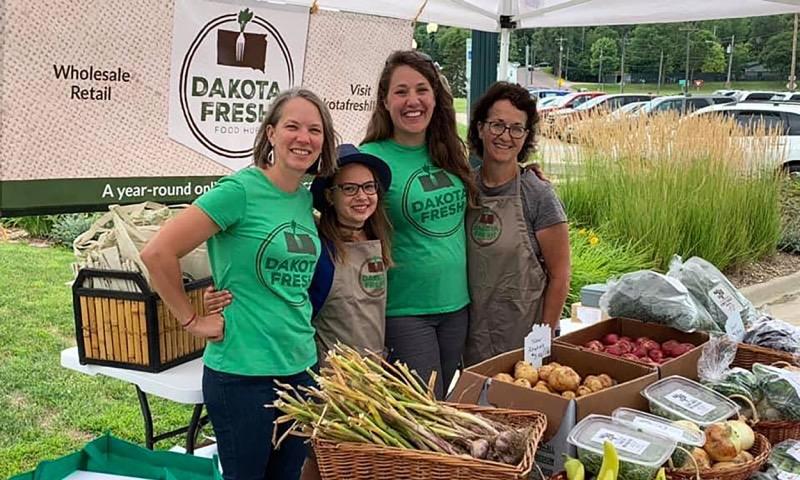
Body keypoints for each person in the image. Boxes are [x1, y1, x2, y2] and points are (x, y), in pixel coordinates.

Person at [140, 87, 337, 480]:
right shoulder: (239, 191)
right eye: (292, 127)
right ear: (270, 134)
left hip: (299, 366)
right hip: (243, 374)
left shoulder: (303, 198)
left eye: (315, 130)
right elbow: (157, 253)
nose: (304, 138)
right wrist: (192, 321)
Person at [205, 144, 394, 364]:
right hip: (334, 375)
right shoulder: (318, 250)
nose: (362, 196)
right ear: (330, 196)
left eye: (369, 187)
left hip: (375, 367)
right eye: (350, 188)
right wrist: (221, 299)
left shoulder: (378, 237)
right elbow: (279, 296)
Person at [359, 50, 477, 399]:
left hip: (457, 305)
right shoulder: (371, 158)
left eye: (421, 89)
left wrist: (526, 173)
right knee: (425, 412)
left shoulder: (450, 151)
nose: (413, 101)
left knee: (441, 404)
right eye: (401, 91)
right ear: (385, 101)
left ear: (435, 97)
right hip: (405, 309)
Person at [463, 81, 571, 367]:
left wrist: (543, 340)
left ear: (526, 136)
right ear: (480, 128)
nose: (505, 136)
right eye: (497, 125)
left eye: (516, 128)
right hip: (472, 337)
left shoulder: (538, 194)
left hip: (524, 343)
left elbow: (560, 275)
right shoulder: (464, 189)